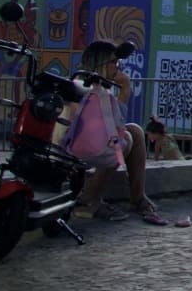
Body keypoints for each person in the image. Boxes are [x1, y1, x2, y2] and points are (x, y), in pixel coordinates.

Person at [68, 41, 170, 226]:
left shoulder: (99, 88)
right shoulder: (84, 87)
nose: (117, 67)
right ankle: (89, 200)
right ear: (100, 64)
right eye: (113, 62)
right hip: (75, 150)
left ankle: (138, 197)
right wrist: (125, 90)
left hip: (89, 144)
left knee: (136, 132)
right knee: (125, 139)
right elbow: (113, 128)